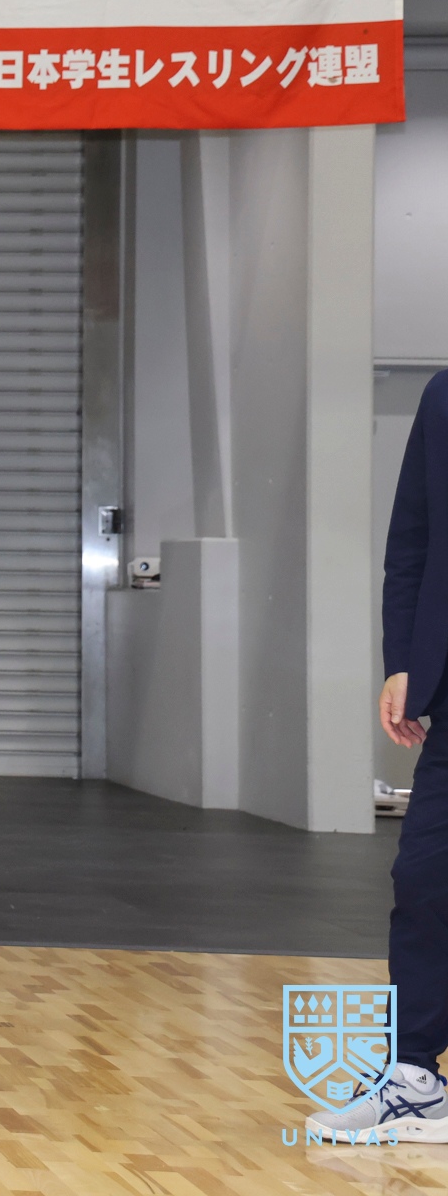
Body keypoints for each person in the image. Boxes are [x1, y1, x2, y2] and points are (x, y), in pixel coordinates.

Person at [312, 370, 448, 1141]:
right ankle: (415, 1078)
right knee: (421, 879)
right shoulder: (441, 396)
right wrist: (401, 660)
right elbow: (411, 538)